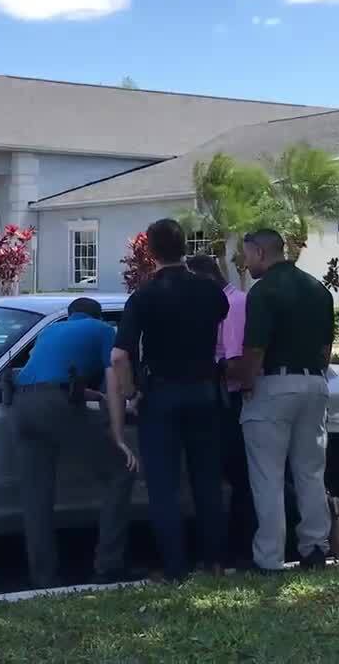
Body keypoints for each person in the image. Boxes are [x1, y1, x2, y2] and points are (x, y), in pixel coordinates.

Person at [112, 220, 229, 583]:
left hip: (161, 394)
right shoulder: (211, 292)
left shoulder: (144, 296)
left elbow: (119, 357)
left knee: (164, 486)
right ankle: (214, 562)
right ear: (184, 248)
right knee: (207, 481)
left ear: (150, 251)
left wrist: (131, 393)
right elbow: (222, 318)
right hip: (205, 392)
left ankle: (175, 568)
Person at [12, 297, 139, 589]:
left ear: (71, 315)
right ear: (97, 316)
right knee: (121, 472)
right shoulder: (104, 330)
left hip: (21, 405)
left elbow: (52, 374)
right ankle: (109, 566)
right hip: (55, 404)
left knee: (36, 495)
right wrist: (118, 438)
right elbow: (114, 382)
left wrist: (93, 397)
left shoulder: (50, 331)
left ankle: (44, 578)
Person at [236, 229, 336, 572]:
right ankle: (315, 548)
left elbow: (255, 348)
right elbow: (326, 350)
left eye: (246, 256)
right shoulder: (318, 289)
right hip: (314, 383)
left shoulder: (263, 292)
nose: (244, 263)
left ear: (261, 254)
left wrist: (246, 382)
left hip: (273, 386)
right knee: (310, 472)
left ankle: (270, 558)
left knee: (268, 476)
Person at [185, 253, 255, 567]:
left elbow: (236, 362)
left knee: (239, 481)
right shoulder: (214, 304)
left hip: (231, 402)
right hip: (217, 399)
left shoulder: (234, 305)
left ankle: (239, 551)